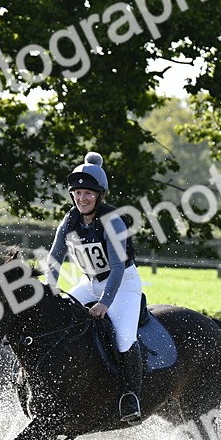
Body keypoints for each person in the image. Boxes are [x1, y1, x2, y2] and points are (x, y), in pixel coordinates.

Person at [45, 151, 143, 422]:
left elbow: (117, 267)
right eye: (77, 193)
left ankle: (131, 398)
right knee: (57, 320)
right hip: (89, 284)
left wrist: (105, 303)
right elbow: (55, 257)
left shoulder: (112, 220)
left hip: (122, 285)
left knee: (124, 338)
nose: (82, 198)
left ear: (100, 195)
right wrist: (49, 289)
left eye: (88, 193)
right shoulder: (70, 220)